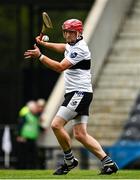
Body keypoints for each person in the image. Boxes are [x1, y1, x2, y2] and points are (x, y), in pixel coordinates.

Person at [24, 19, 119, 175]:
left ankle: (69, 161)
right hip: (80, 94)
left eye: (71, 32)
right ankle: (109, 163)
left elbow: (60, 67)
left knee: (56, 125)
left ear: (79, 33)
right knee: (80, 135)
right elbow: (64, 48)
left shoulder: (80, 49)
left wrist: (40, 56)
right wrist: (46, 45)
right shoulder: (73, 44)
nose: (67, 35)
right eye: (66, 32)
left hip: (79, 94)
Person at [16, 100, 44, 169]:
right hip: (24, 138)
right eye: (35, 108)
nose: (36, 109)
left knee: (33, 155)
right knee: (23, 155)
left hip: (33, 138)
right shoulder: (25, 116)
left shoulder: (36, 116)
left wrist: (42, 129)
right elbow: (20, 125)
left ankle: (32, 168)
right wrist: (19, 135)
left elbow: (36, 125)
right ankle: (21, 168)